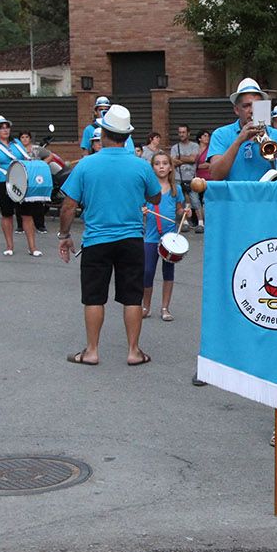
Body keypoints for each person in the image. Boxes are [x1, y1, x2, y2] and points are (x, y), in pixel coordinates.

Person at [57, 104, 160, 366]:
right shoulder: (140, 165)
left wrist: (64, 235)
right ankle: (134, 351)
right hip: (131, 239)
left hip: (96, 240)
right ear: (127, 136)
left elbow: (68, 205)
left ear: (103, 132)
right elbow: (156, 196)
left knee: (93, 297)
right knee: (132, 296)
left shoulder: (86, 165)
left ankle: (91, 351)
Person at [208, 77, 277, 182]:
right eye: (246, 106)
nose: (252, 110)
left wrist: (270, 149)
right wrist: (239, 141)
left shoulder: (276, 135)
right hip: (234, 197)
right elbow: (216, 174)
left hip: (266, 196)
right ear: (236, 110)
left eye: (257, 105)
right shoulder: (220, 134)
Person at [0, 116, 40, 257]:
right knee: (7, 214)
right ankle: (9, 246)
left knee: (26, 214)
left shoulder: (16, 144)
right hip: (2, 182)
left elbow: (25, 157)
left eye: (6, 127)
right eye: (1, 127)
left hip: (20, 181)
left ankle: (32, 248)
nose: (5, 130)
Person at [141, 150, 186, 320]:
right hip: (151, 238)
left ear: (170, 168)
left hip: (170, 239)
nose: (161, 166)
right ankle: (146, 307)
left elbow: (179, 210)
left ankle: (165, 308)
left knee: (168, 273)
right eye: (157, 163)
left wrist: (185, 212)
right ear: (152, 168)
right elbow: (140, 209)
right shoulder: (148, 190)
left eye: (165, 163)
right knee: (147, 272)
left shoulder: (177, 189)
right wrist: (143, 211)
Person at [170, 124, 204, 231]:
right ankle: (184, 222)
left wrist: (179, 158)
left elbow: (193, 159)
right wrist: (186, 159)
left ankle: (201, 223)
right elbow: (172, 162)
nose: (181, 134)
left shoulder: (194, 146)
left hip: (191, 178)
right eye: (180, 132)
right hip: (178, 178)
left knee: (195, 201)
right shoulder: (175, 147)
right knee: (182, 201)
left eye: (183, 132)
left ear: (188, 133)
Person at [17, 130, 49, 234]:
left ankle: (40, 225)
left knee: (37, 202)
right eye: (22, 137)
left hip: (35, 179)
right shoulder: (16, 150)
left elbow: (50, 155)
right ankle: (20, 226)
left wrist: (41, 165)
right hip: (22, 179)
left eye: (26, 137)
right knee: (20, 201)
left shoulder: (36, 149)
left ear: (30, 138)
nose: (25, 139)